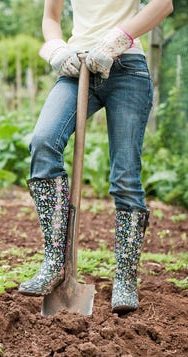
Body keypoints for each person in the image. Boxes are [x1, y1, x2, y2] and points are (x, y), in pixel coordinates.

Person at [18, 0, 173, 314]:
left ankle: (126, 277)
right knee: (44, 141)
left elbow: (163, 4)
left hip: (127, 67)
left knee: (125, 175)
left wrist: (117, 40)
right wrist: (57, 49)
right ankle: (55, 262)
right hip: (77, 66)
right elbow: (51, 16)